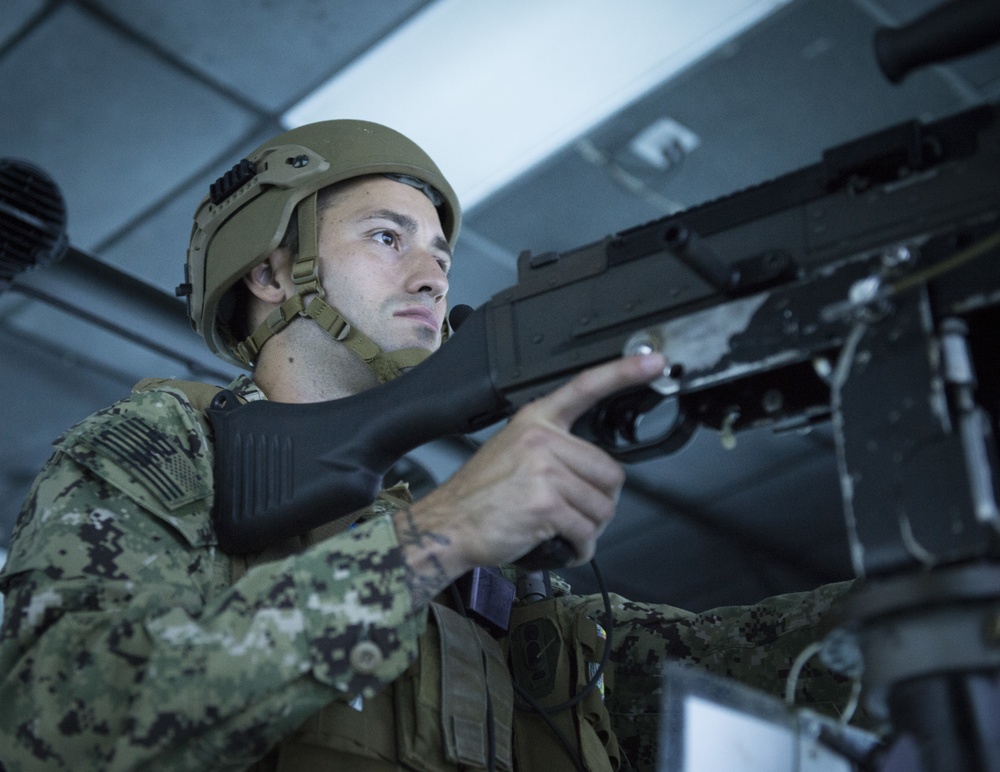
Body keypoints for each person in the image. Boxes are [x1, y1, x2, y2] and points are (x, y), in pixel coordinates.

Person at [0, 121, 863, 771]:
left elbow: (714, 673)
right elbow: (58, 718)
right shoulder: (161, 448)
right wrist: (439, 534)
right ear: (269, 276)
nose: (432, 273)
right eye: (387, 237)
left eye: (441, 253)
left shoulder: (488, 571)